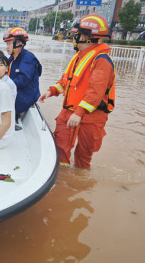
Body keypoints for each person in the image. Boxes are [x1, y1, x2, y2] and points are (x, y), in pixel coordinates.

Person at [38, 14, 115, 169]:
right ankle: (63, 180)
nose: (73, 37)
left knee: (83, 156)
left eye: (76, 34)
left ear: (87, 37)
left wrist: (79, 113)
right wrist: (52, 91)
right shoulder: (79, 57)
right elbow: (67, 81)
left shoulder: (101, 60)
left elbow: (96, 91)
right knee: (60, 148)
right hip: (69, 112)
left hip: (90, 115)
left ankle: (78, 181)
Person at [4, 27, 42, 117]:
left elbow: (22, 80)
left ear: (19, 43)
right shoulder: (12, 58)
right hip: (15, 92)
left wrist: (3, 85)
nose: (7, 47)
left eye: (9, 44)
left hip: (25, 96)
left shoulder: (28, 58)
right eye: (7, 44)